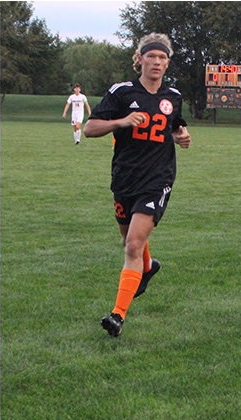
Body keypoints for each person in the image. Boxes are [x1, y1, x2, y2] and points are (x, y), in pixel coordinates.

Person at [83, 33, 192, 337]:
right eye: (151, 56)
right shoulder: (121, 92)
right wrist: (121, 122)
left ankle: (117, 316)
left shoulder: (173, 96)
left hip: (157, 179)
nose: (156, 62)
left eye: (162, 58)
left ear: (167, 63)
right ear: (140, 59)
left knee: (133, 244)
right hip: (125, 177)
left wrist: (181, 138)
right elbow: (90, 128)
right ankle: (148, 267)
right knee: (128, 240)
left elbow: (175, 129)